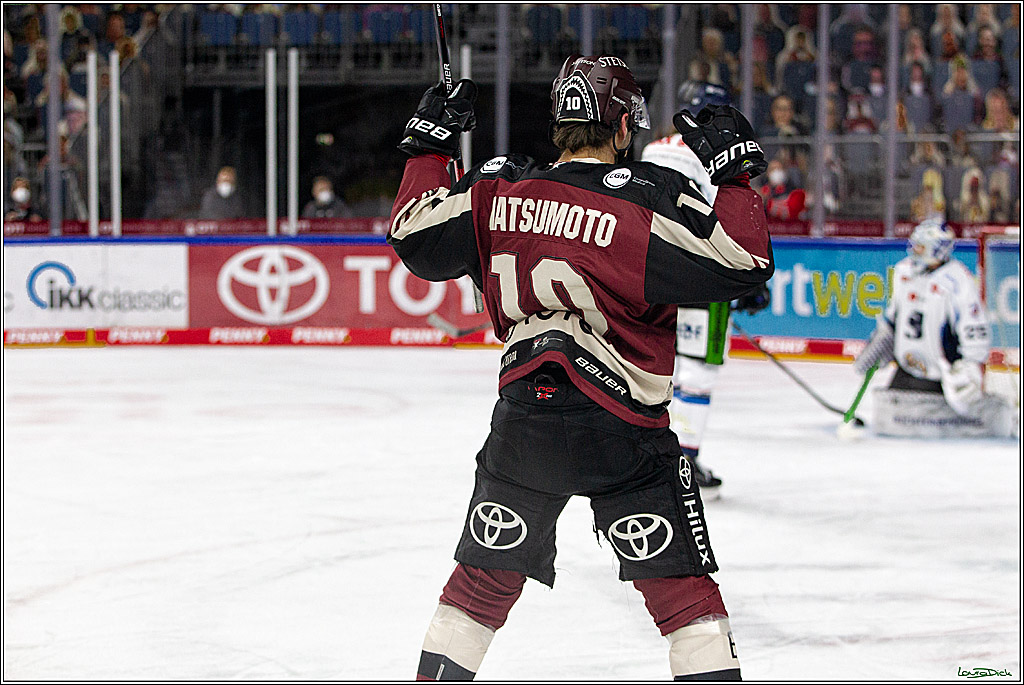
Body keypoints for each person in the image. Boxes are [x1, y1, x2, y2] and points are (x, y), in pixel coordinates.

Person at [388, 54, 773, 680]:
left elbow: (413, 235)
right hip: (623, 427)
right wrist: (736, 174)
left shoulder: (498, 191)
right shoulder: (647, 200)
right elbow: (745, 262)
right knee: (683, 598)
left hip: (525, 419)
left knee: (481, 588)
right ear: (623, 127)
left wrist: (429, 146)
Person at [640, 80, 772, 496]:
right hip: (702, 276)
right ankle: (686, 462)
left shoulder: (653, 147)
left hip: (651, 275)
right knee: (699, 371)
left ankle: (648, 457)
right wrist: (746, 282)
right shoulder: (716, 157)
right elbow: (725, 215)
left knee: (654, 366)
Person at [853, 220, 1017, 438]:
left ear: (937, 249)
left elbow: (974, 331)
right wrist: (882, 341)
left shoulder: (957, 280)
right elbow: (894, 318)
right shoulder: (904, 272)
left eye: (921, 246)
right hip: (907, 370)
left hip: (942, 378)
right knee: (892, 424)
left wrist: (967, 371)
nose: (914, 251)